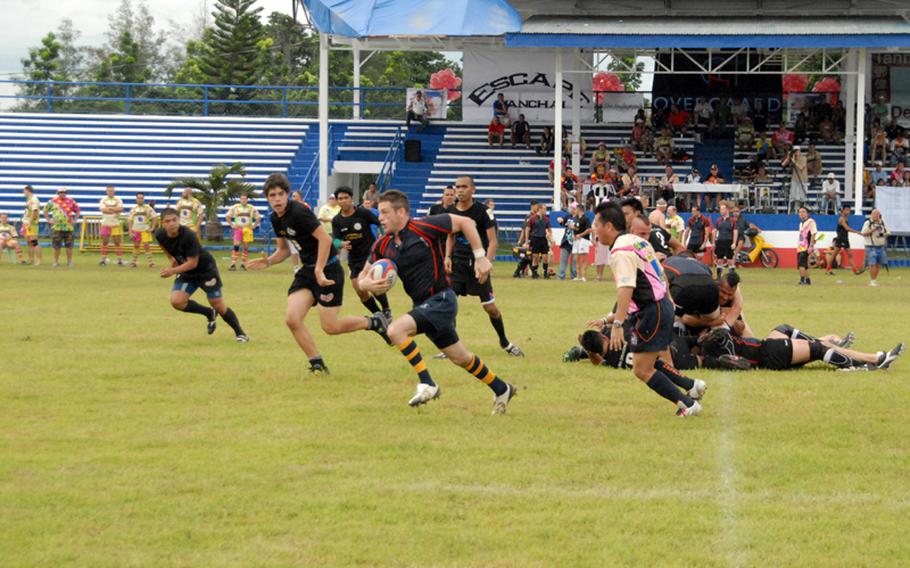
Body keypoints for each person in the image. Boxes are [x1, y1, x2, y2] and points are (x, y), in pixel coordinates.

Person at [358, 190, 517, 414]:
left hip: (442, 299)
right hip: (423, 306)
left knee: (395, 330)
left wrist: (480, 257)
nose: (380, 217)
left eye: (384, 212)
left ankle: (428, 383)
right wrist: (367, 286)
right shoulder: (382, 245)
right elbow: (361, 278)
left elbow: (467, 222)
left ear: (401, 212)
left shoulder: (424, 227)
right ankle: (502, 388)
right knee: (460, 357)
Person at [248, 174, 389, 374]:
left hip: (329, 268)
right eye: (272, 195)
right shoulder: (275, 219)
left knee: (330, 327)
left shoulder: (299, 212)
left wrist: (319, 269)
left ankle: (374, 322)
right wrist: (268, 261)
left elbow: (325, 239)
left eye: (281, 194)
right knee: (292, 319)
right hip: (308, 271)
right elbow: (284, 251)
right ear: (267, 198)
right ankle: (317, 364)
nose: (277, 199)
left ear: (288, 194)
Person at [591, 201, 705, 417]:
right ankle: (692, 385)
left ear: (608, 227)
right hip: (658, 307)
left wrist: (617, 324)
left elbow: (626, 287)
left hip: (651, 310)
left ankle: (687, 404)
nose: (594, 229)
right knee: (647, 359)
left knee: (642, 369)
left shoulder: (621, 251)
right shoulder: (635, 241)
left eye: (596, 223)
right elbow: (659, 271)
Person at [443, 176, 524, 357]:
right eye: (458, 187)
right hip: (457, 266)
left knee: (490, 308)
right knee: (448, 304)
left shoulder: (483, 212)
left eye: (464, 186)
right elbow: (450, 236)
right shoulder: (450, 211)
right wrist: (447, 256)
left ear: (473, 189)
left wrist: (485, 264)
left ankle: (505, 342)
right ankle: (450, 346)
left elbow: (493, 241)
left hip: (477, 266)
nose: (460, 190)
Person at [154, 208, 248, 343]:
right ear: (162, 223)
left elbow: (193, 263)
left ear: (179, 220)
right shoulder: (160, 234)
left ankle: (240, 333)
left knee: (217, 304)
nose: (172, 224)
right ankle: (208, 313)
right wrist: (171, 259)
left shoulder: (188, 235)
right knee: (177, 301)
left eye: (174, 220)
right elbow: (161, 244)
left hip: (205, 270)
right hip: (186, 272)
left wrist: (172, 271)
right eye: (168, 221)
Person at [699, 327, 903, 372]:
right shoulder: (712, 345)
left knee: (784, 329)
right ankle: (874, 360)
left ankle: (873, 359)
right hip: (769, 353)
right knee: (819, 348)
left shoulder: (711, 343)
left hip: (766, 349)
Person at [331, 186, 391, 319]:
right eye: (340, 198)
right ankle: (378, 314)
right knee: (359, 290)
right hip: (354, 259)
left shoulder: (363, 213)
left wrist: (383, 234)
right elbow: (334, 240)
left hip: (369, 255)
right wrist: (341, 244)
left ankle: (386, 310)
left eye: (346, 197)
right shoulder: (337, 220)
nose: (343, 201)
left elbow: (380, 222)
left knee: (373, 284)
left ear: (352, 199)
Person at [44, 188, 80, 268]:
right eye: (60, 192)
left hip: (68, 227)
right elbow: (45, 210)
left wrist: (75, 219)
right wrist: (49, 219)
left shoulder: (71, 201)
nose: (62, 194)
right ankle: (56, 262)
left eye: (64, 192)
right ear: (58, 193)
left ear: (66, 193)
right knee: (56, 246)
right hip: (57, 227)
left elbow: (77, 210)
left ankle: (69, 262)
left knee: (69, 246)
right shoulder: (52, 201)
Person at [224, 194, 261, 271]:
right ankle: (233, 264)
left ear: (247, 199)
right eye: (242, 199)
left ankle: (243, 265)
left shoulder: (251, 208)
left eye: (245, 199)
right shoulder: (235, 207)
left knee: (246, 247)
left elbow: (258, 217)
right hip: (238, 228)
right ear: (240, 199)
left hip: (247, 229)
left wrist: (254, 225)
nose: (243, 200)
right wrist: (232, 224)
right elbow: (227, 216)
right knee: (236, 245)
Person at [825, 205, 862, 276]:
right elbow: (847, 228)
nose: (848, 212)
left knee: (849, 255)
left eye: (849, 210)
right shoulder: (842, 219)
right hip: (841, 239)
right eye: (847, 210)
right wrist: (857, 232)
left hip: (845, 239)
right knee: (834, 254)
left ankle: (855, 270)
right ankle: (828, 270)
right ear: (843, 210)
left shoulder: (846, 218)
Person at [523, 202, 552, 279]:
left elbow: (549, 229)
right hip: (535, 238)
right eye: (544, 209)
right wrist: (526, 241)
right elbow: (527, 229)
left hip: (543, 239)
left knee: (545, 257)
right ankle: (534, 273)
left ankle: (546, 272)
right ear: (540, 209)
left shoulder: (546, 219)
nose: (545, 210)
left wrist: (550, 237)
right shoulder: (533, 218)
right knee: (535, 257)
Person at [128, 192, 158, 268]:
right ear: (136, 199)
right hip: (136, 230)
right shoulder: (133, 209)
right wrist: (130, 231)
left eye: (141, 198)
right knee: (136, 245)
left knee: (146, 245)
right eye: (138, 198)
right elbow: (130, 220)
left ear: (143, 199)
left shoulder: (148, 208)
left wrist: (153, 228)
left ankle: (151, 262)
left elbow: (155, 217)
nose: (140, 199)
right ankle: (133, 262)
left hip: (145, 230)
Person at [861, 209, 890, 287]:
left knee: (878, 264)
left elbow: (888, 232)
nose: (875, 216)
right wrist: (873, 230)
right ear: (871, 215)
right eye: (874, 214)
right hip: (870, 246)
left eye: (877, 214)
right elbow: (863, 233)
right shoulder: (868, 223)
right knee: (872, 264)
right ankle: (872, 280)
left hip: (880, 246)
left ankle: (874, 279)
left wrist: (882, 235)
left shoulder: (882, 222)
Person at [98, 186, 125, 266]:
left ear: (114, 191)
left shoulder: (118, 199)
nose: (110, 192)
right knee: (105, 242)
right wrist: (114, 209)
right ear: (106, 191)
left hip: (115, 224)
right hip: (105, 224)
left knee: (117, 243)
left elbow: (120, 209)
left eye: (112, 191)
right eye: (109, 191)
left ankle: (119, 260)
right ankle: (103, 259)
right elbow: (103, 210)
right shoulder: (103, 200)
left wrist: (109, 209)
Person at [713, 202, 738, 279]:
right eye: (720, 209)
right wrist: (714, 242)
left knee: (729, 260)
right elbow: (715, 231)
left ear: (727, 210)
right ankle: (718, 277)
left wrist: (734, 243)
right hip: (720, 241)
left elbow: (735, 232)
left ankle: (732, 277)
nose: (721, 211)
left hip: (729, 241)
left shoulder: (732, 221)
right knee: (719, 260)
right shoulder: (718, 220)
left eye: (722, 209)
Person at [569, 203, 592, 281]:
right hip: (576, 240)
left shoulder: (586, 218)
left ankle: (584, 276)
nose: (575, 210)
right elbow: (577, 228)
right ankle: (578, 276)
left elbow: (589, 230)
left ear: (579, 209)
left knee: (583, 258)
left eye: (576, 209)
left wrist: (580, 235)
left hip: (583, 240)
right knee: (575, 257)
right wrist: (573, 231)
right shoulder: (575, 218)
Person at [782, 146, 808, 213]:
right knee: (792, 195)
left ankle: (802, 210)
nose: (796, 152)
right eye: (795, 151)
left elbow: (801, 167)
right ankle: (792, 210)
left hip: (803, 179)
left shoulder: (804, 158)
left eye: (797, 151)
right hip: (794, 179)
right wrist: (788, 157)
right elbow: (783, 164)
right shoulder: (793, 158)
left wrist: (794, 161)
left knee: (802, 196)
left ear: (799, 151)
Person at [21, 185, 42, 265]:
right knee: (29, 242)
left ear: (27, 190)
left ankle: (39, 260)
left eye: (24, 191)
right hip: (26, 222)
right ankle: (31, 259)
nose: (23, 192)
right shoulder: (29, 199)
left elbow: (35, 211)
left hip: (32, 224)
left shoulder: (34, 199)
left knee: (34, 242)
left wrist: (30, 222)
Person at [796, 206, 817, 286]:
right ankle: (807, 280)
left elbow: (813, 233)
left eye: (803, 212)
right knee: (805, 265)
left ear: (807, 213)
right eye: (800, 212)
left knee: (801, 264)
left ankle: (802, 280)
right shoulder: (801, 224)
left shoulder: (811, 222)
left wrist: (811, 246)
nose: (801, 213)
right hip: (801, 246)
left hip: (806, 246)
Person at [556, 204, 577, 280]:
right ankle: (561, 276)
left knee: (574, 261)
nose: (569, 209)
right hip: (566, 241)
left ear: (574, 209)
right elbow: (563, 222)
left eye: (571, 208)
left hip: (575, 242)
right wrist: (560, 219)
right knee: (563, 260)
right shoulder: (568, 216)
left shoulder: (580, 218)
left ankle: (574, 276)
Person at [289, 190, 305, 271]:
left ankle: (306, 265)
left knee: (304, 249)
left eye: (294, 196)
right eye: (292, 196)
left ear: (300, 197)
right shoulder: (290, 207)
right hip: (293, 231)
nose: (293, 198)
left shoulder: (305, 206)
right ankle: (295, 266)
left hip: (303, 232)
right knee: (293, 249)